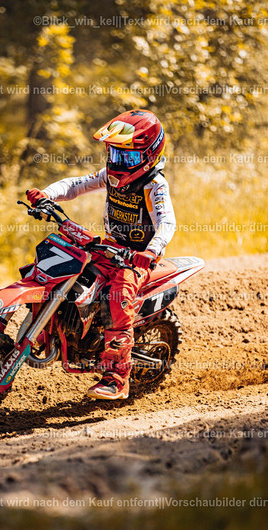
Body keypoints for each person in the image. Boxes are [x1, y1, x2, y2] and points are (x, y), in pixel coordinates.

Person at [26, 109, 176, 400]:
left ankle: (117, 377)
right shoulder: (109, 175)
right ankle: (52, 329)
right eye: (115, 154)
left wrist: (151, 250)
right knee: (64, 265)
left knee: (118, 296)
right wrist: (47, 194)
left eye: (128, 157)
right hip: (109, 247)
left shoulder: (154, 185)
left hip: (136, 259)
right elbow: (75, 185)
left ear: (150, 156)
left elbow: (167, 221)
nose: (119, 163)